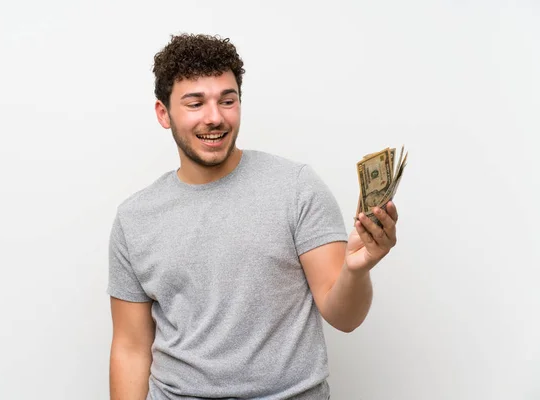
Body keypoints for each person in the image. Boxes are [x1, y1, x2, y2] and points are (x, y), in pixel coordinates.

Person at [107, 33, 399, 400]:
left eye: (227, 101)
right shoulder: (135, 219)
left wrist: (357, 270)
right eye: (195, 103)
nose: (215, 117)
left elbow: (345, 316)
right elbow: (130, 348)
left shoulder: (296, 188)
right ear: (163, 113)